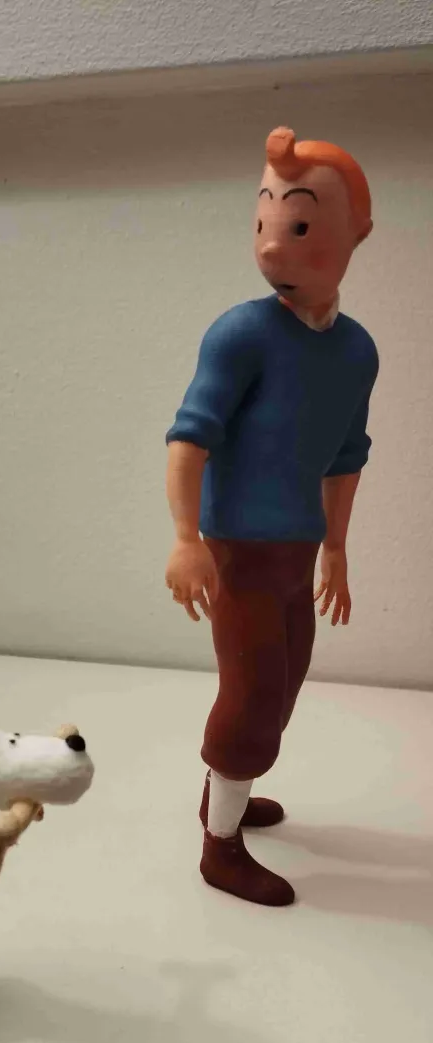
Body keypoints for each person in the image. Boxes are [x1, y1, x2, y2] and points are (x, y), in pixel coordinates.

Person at [165, 126, 379, 907]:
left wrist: (337, 550)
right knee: (252, 696)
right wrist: (186, 539)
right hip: (241, 553)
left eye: (297, 223)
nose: (270, 243)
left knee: (282, 686)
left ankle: (225, 789)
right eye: (263, 220)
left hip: (298, 554)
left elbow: (346, 455)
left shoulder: (356, 351)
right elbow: (189, 439)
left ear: (354, 232)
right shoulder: (241, 333)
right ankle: (219, 847)